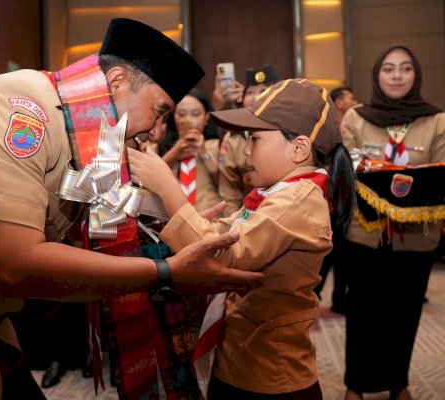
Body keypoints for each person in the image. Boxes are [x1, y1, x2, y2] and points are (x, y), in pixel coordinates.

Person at [0, 18, 262, 400]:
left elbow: (98, 216)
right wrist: (167, 272)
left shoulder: (88, 133)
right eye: (159, 112)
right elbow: (15, 262)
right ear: (116, 81)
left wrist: (168, 235)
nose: (156, 132)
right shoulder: (21, 108)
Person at [129, 78, 356, 399]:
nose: (246, 149)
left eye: (255, 139)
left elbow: (219, 257)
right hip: (245, 354)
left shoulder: (297, 200)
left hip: (269, 375)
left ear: (299, 148)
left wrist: (167, 187)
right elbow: (227, 234)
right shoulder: (278, 192)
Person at [340, 45, 444, 400]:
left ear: (416, 74)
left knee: (405, 313)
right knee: (363, 314)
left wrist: (380, 175)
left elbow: (440, 177)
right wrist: (407, 178)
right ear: (377, 75)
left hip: (415, 239)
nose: (397, 75)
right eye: (388, 68)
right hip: (363, 235)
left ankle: (399, 382)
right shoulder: (356, 117)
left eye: (404, 69)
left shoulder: (437, 121)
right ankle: (356, 385)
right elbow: (347, 171)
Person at [313, 86, 358, 315]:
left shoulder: (357, 123)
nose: (354, 101)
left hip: (347, 194)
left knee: (344, 253)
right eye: (350, 97)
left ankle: (341, 300)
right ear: (338, 102)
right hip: (325, 194)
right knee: (326, 253)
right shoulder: (326, 125)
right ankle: (313, 298)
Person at [217, 64, 281, 216]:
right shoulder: (233, 138)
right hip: (248, 216)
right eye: (250, 92)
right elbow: (230, 192)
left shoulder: (290, 132)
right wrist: (233, 228)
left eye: (264, 91)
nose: (255, 96)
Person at [156, 88, 222, 211]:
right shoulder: (162, 147)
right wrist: (174, 153)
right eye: (181, 114)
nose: (189, 120)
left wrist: (204, 153)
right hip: (174, 221)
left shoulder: (218, 146)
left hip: (210, 222)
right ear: (173, 117)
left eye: (196, 114)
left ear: (206, 117)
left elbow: (229, 185)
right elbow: (151, 180)